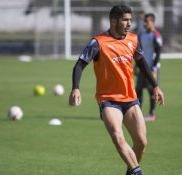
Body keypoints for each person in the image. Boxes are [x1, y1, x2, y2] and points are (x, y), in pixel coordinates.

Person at [69, 5, 164, 175]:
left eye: (130, 20)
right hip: (108, 100)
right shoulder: (98, 42)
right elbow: (79, 64)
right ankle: (137, 172)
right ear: (114, 21)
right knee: (117, 136)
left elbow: (142, 63)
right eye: (125, 20)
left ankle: (131, 171)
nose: (129, 23)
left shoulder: (133, 39)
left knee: (141, 142)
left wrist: (155, 85)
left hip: (130, 99)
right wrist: (75, 88)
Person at [135, 13, 162, 121]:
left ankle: (151, 114)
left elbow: (158, 52)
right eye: (144, 21)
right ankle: (139, 113)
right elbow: (138, 52)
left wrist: (154, 66)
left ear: (152, 22)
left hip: (152, 68)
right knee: (139, 90)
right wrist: (136, 65)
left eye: (147, 21)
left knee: (152, 90)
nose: (145, 23)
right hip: (142, 67)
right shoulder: (141, 35)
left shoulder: (156, 35)